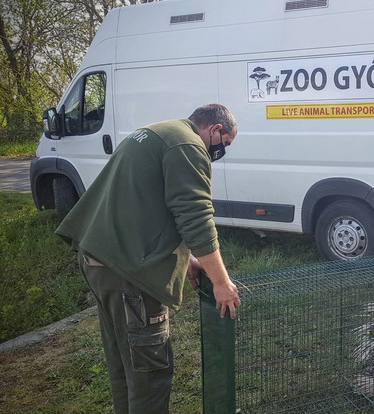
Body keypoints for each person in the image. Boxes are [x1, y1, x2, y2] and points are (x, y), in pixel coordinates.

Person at [56, 103, 241, 413]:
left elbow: (148, 206)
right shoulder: (188, 145)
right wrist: (221, 282)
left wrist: (187, 263)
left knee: (125, 363)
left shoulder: (159, 132)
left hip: (99, 258)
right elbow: (195, 217)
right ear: (215, 130)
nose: (220, 152)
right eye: (224, 145)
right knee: (150, 372)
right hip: (128, 273)